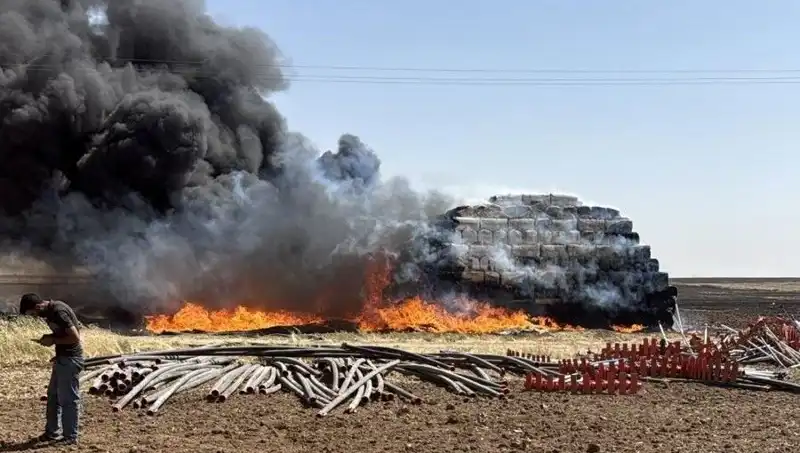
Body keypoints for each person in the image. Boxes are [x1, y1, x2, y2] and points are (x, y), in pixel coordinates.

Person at [19, 293, 84, 446]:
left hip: (70, 360)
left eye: (33, 313)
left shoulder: (58, 311)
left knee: (68, 399)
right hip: (63, 359)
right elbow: (64, 334)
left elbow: (75, 337)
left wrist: (53, 340)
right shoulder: (50, 312)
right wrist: (51, 340)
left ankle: (70, 436)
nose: (35, 317)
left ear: (37, 306)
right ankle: (52, 432)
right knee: (53, 397)